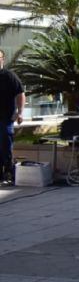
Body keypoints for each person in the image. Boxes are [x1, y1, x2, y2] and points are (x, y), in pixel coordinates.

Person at [0, 50, 25, 186]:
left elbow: (20, 94)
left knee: (5, 144)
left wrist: (20, 112)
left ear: (2, 59)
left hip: (5, 118)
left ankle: (8, 172)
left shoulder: (9, 76)